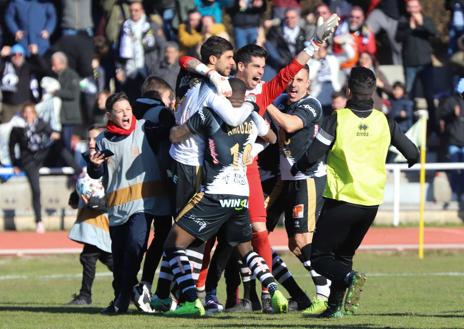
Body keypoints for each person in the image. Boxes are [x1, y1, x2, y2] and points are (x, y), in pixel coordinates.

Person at [291, 67, 419, 318]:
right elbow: (412, 153)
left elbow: (314, 154)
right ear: (373, 91)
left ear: (349, 91)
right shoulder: (384, 121)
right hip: (371, 202)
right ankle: (336, 308)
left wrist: (299, 166)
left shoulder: (338, 118)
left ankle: (350, 279)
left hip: (342, 200)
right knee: (344, 254)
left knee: (319, 258)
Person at [163, 77, 287, 317]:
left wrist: (175, 121)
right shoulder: (252, 117)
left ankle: (190, 300)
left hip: (215, 191)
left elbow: (177, 136)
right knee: (246, 250)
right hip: (241, 193)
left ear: (226, 95)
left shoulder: (209, 114)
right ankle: (274, 290)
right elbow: (272, 138)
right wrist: (252, 150)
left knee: (173, 243)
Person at [88, 92, 173, 315]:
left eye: (128, 109)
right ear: (109, 115)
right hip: (116, 207)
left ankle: (123, 298)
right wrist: (94, 166)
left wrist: (173, 112)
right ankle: (124, 297)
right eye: (120, 111)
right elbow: (95, 173)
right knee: (120, 258)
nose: (126, 113)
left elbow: (169, 130)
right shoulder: (103, 140)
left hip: (144, 203)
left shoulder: (145, 128)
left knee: (136, 244)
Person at [265, 66, 330, 315]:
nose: (293, 85)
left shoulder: (312, 104)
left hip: (308, 178)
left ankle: (325, 291)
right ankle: (326, 287)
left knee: (304, 238)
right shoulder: (282, 100)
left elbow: (290, 125)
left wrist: (264, 102)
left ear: (308, 84)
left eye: (299, 80)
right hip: (287, 180)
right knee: (294, 243)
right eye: (290, 80)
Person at [8, 103, 81, 233]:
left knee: (58, 146)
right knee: (36, 189)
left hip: (42, 156)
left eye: (31, 112)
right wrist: (15, 164)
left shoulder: (41, 123)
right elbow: (11, 146)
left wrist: (54, 134)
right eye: (26, 112)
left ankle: (79, 171)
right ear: (23, 114)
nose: (28, 115)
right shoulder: (18, 127)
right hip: (29, 160)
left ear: (35, 113)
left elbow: (53, 132)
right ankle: (39, 221)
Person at [67, 125, 113, 305]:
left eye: (96, 138)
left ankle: (85, 296)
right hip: (90, 220)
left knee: (89, 257)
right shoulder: (88, 161)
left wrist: (100, 204)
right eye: (89, 139)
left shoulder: (109, 160)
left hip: (101, 220)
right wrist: (75, 196)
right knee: (106, 258)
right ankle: (132, 289)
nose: (92, 143)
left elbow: (111, 189)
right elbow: (85, 182)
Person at [395, 0, 437, 130]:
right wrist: (410, 28)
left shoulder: (426, 19)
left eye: (415, 6)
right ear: (407, 8)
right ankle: (409, 125)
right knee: (409, 95)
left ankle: (433, 126)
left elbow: (434, 33)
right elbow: (398, 38)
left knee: (429, 95)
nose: (413, 9)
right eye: (410, 7)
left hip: (426, 64)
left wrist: (422, 24)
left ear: (419, 7)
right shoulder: (403, 21)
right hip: (410, 64)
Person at [117, 0, 166, 103]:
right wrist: (119, 68)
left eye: (136, 10)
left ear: (142, 11)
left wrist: (158, 65)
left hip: (148, 69)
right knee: (131, 99)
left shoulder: (151, 25)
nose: (133, 13)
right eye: (131, 10)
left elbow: (162, 46)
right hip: (130, 70)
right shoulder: (125, 27)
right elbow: (119, 50)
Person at [438, 80, 464, 201]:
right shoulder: (450, 101)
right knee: (454, 170)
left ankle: (463, 194)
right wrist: (453, 115)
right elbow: (442, 117)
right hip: (453, 141)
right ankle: (454, 193)